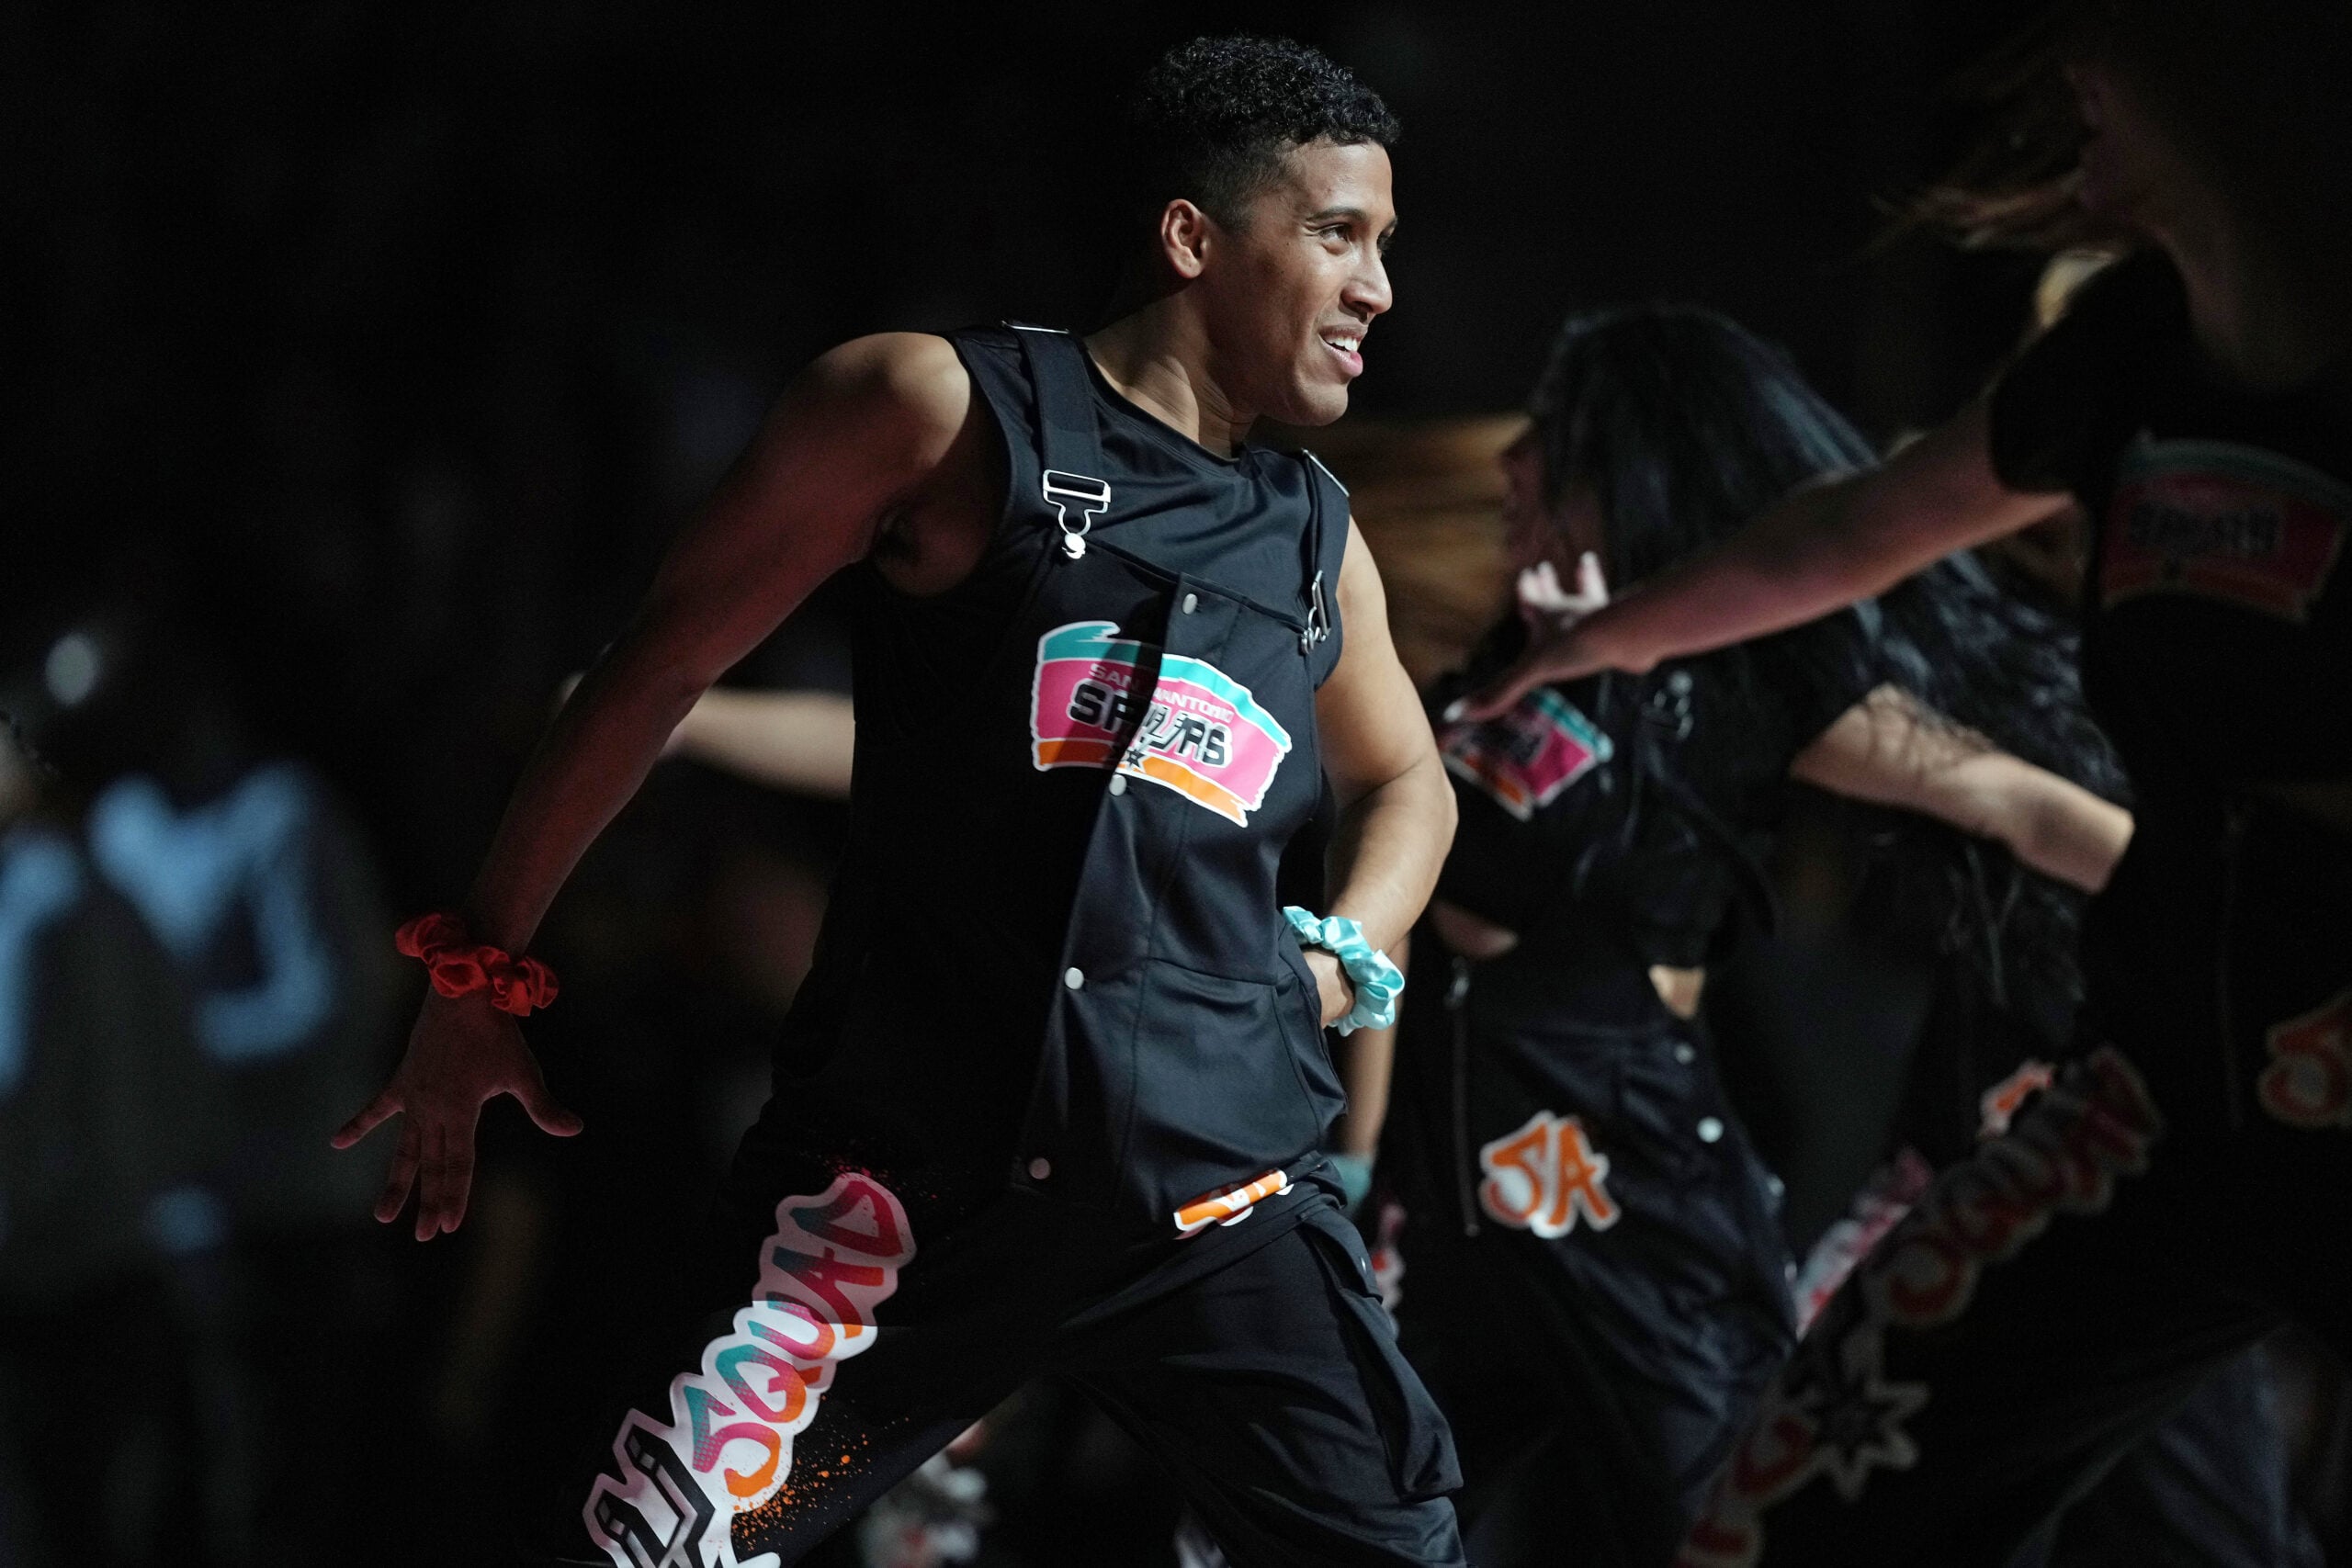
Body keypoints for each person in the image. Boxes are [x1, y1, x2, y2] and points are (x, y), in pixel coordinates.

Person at [334, 34, 1469, 1568]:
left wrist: (1350, 951)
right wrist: (480, 969)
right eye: (1341, 235)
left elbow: (1407, 774)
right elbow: (650, 675)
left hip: (1219, 1198)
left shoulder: (1314, 538)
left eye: (1385, 246)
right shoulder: (942, 409)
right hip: (908, 1197)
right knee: (650, 1556)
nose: (1377, 287)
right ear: (1196, 237)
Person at [1453, 3, 2352, 1562]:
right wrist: (1603, 641)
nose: (2067, 72)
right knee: (1788, 1514)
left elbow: (2026, 806)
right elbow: (1838, 532)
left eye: (2106, 41)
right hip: (2164, 1091)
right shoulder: (2124, 357)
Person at [1367, 304, 2130, 1568]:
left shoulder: (1743, 677)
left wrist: (2244, 920)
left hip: (1620, 1191)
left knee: (1731, 1529)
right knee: (1337, 1511)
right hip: (1465, 1213)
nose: (1511, 464)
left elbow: (2015, 802)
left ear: (1635, 471)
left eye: (1551, 440)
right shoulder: (1498, 663)